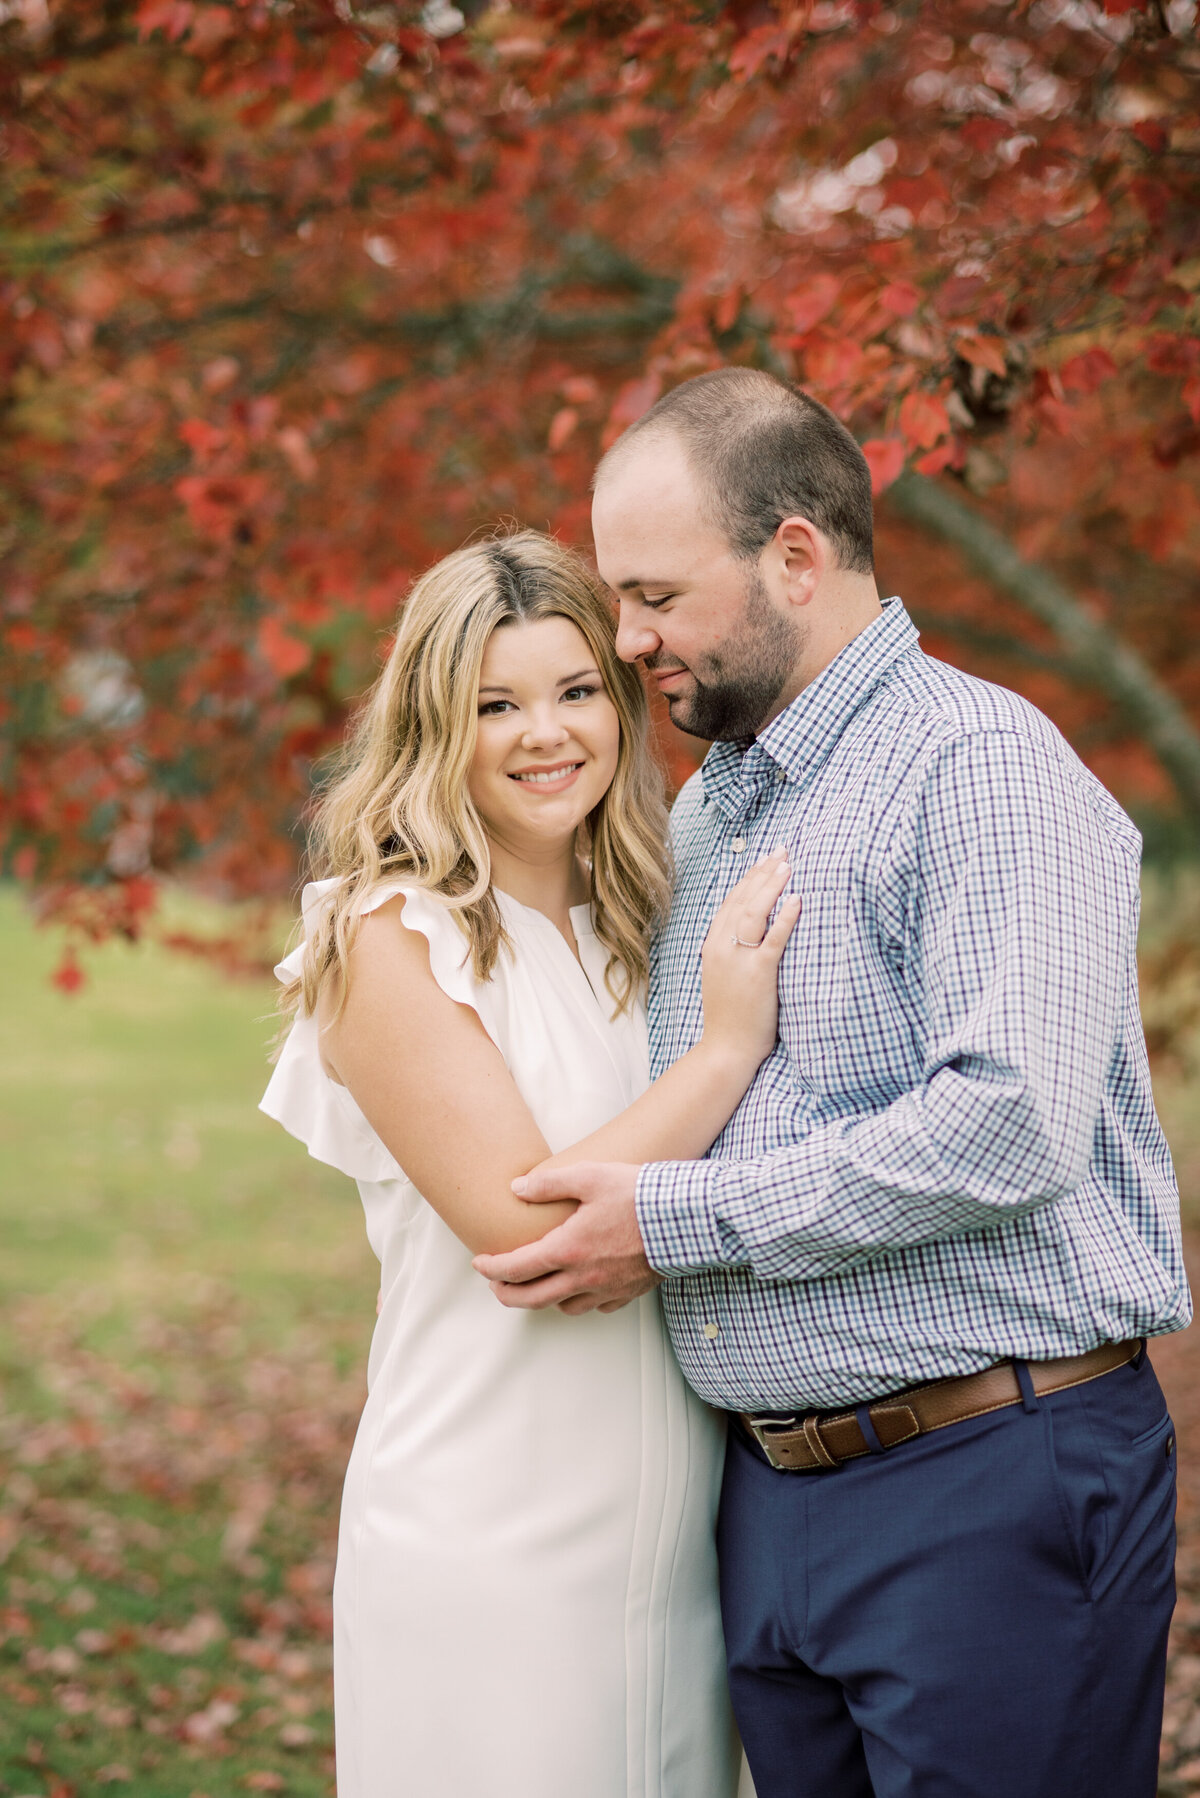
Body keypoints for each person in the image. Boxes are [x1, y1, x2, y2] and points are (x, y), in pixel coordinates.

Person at [474, 369, 1192, 1798]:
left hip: (989, 1472)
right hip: (774, 1500)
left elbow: (1010, 1122)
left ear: (794, 557)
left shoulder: (977, 764)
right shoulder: (717, 797)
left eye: (657, 595)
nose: (629, 640)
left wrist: (673, 1220)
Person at [260, 529, 792, 1797]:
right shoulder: (390, 933)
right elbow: (528, 1235)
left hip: (679, 1547)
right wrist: (723, 1053)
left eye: (573, 693)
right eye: (495, 704)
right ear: (438, 724)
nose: (543, 733)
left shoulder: (646, 919)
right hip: (486, 1544)